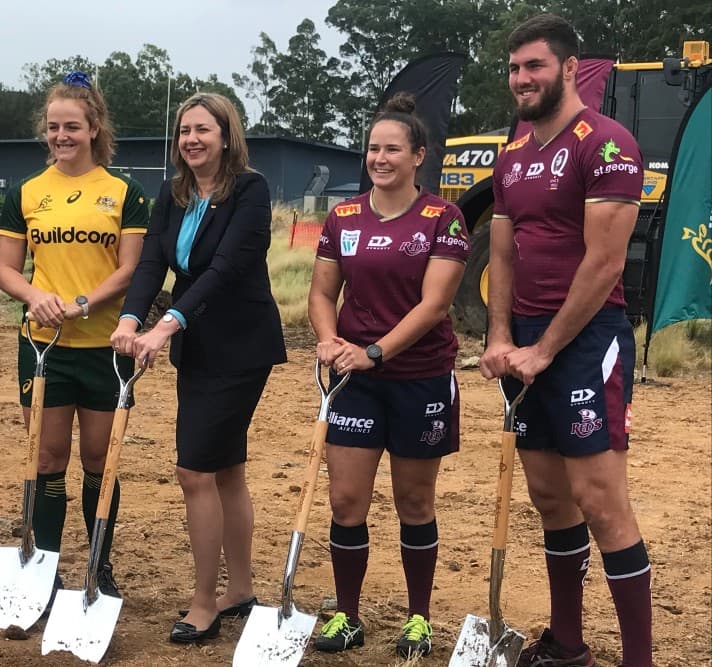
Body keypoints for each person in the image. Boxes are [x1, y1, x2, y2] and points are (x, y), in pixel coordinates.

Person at [479, 14, 651, 667]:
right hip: (524, 339)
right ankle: (569, 644)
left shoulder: (606, 144)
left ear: (570, 69)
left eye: (535, 67)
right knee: (551, 498)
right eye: (515, 68)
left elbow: (604, 264)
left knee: (600, 501)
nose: (522, 79)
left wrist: (544, 348)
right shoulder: (514, 151)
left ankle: (640, 658)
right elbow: (503, 244)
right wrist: (501, 333)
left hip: (586, 340)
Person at [110, 92, 286, 643]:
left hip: (240, 347)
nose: (191, 139)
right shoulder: (174, 192)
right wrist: (131, 318)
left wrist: (168, 324)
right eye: (184, 130)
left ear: (226, 135)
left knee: (194, 470)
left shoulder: (251, 191)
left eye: (202, 130)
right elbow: (152, 264)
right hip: (198, 346)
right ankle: (240, 590)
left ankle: (205, 600)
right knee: (225, 467)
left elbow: (227, 269)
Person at [307, 92, 469, 658]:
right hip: (355, 380)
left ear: (418, 155)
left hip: (419, 377)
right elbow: (323, 292)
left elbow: (434, 306)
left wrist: (374, 351)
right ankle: (346, 616)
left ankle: (418, 618)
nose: (380, 158)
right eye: (373, 148)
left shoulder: (443, 218)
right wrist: (329, 339)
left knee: (414, 502)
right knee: (346, 500)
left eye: (392, 149)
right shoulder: (343, 216)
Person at [0, 71, 148, 599]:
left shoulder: (123, 192)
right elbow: (7, 270)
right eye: (54, 127)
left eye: (73, 127)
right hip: (43, 348)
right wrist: (35, 297)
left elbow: (130, 269)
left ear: (94, 127)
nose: (62, 136)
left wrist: (85, 302)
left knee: (100, 461)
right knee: (46, 458)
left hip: (107, 347)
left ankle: (99, 566)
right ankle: (48, 567)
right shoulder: (27, 192)